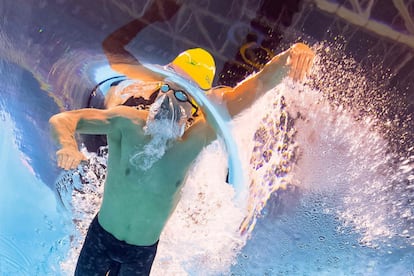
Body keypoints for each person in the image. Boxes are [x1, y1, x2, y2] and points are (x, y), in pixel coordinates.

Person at [49, 1, 315, 275]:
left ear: (196, 107)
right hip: (101, 239)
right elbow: (65, 119)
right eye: (168, 88)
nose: (169, 101)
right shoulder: (128, 121)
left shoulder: (194, 139)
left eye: (181, 95)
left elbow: (256, 86)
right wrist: (68, 145)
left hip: (140, 255)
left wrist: (293, 55)